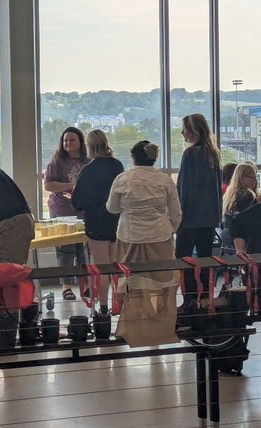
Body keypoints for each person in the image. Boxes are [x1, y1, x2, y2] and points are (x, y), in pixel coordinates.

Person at [106, 140, 182, 277]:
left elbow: (112, 208)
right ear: (154, 158)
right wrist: (171, 229)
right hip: (159, 235)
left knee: (131, 280)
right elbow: (176, 213)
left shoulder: (122, 179)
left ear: (134, 158)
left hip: (129, 235)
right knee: (161, 280)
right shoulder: (164, 179)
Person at [71, 130, 123, 314]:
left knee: (101, 266)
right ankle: (119, 303)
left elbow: (78, 200)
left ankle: (102, 307)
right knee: (115, 265)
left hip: (96, 221)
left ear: (90, 146)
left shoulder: (88, 169)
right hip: (116, 219)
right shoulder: (117, 165)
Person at [175, 115, 222, 297]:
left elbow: (184, 189)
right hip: (208, 217)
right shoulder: (213, 153)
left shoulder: (190, 153)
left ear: (193, 130)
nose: (182, 132)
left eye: (184, 128)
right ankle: (204, 299)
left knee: (183, 259)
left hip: (189, 217)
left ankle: (189, 298)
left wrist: (178, 216)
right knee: (205, 260)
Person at [43, 127, 89, 298]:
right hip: (61, 210)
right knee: (65, 249)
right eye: (65, 140)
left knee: (82, 249)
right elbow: (48, 185)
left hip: (82, 210)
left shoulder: (88, 161)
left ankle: (85, 286)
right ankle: (66, 287)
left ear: (80, 142)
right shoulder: (57, 161)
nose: (68, 143)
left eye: (72, 140)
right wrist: (70, 186)